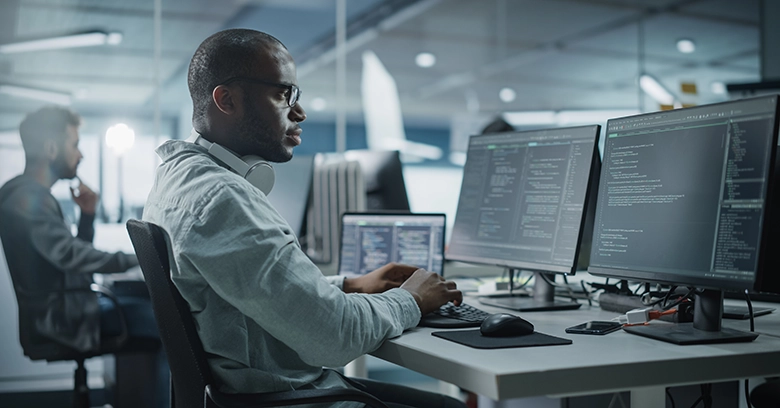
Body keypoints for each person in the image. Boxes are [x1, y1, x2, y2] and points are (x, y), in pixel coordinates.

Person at [143, 28, 466, 408]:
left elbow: (243, 288)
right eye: (283, 94)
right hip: (293, 398)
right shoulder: (222, 200)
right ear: (226, 99)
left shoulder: (179, 178)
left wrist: (348, 285)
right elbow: (335, 337)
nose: (299, 112)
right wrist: (411, 299)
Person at [0, 106, 168, 408]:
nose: (81, 154)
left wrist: (87, 216)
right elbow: (72, 256)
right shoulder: (27, 199)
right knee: (170, 323)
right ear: (52, 148)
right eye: (74, 144)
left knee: (151, 306)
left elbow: (67, 260)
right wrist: (143, 257)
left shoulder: (32, 196)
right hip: (64, 319)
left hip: (69, 307)